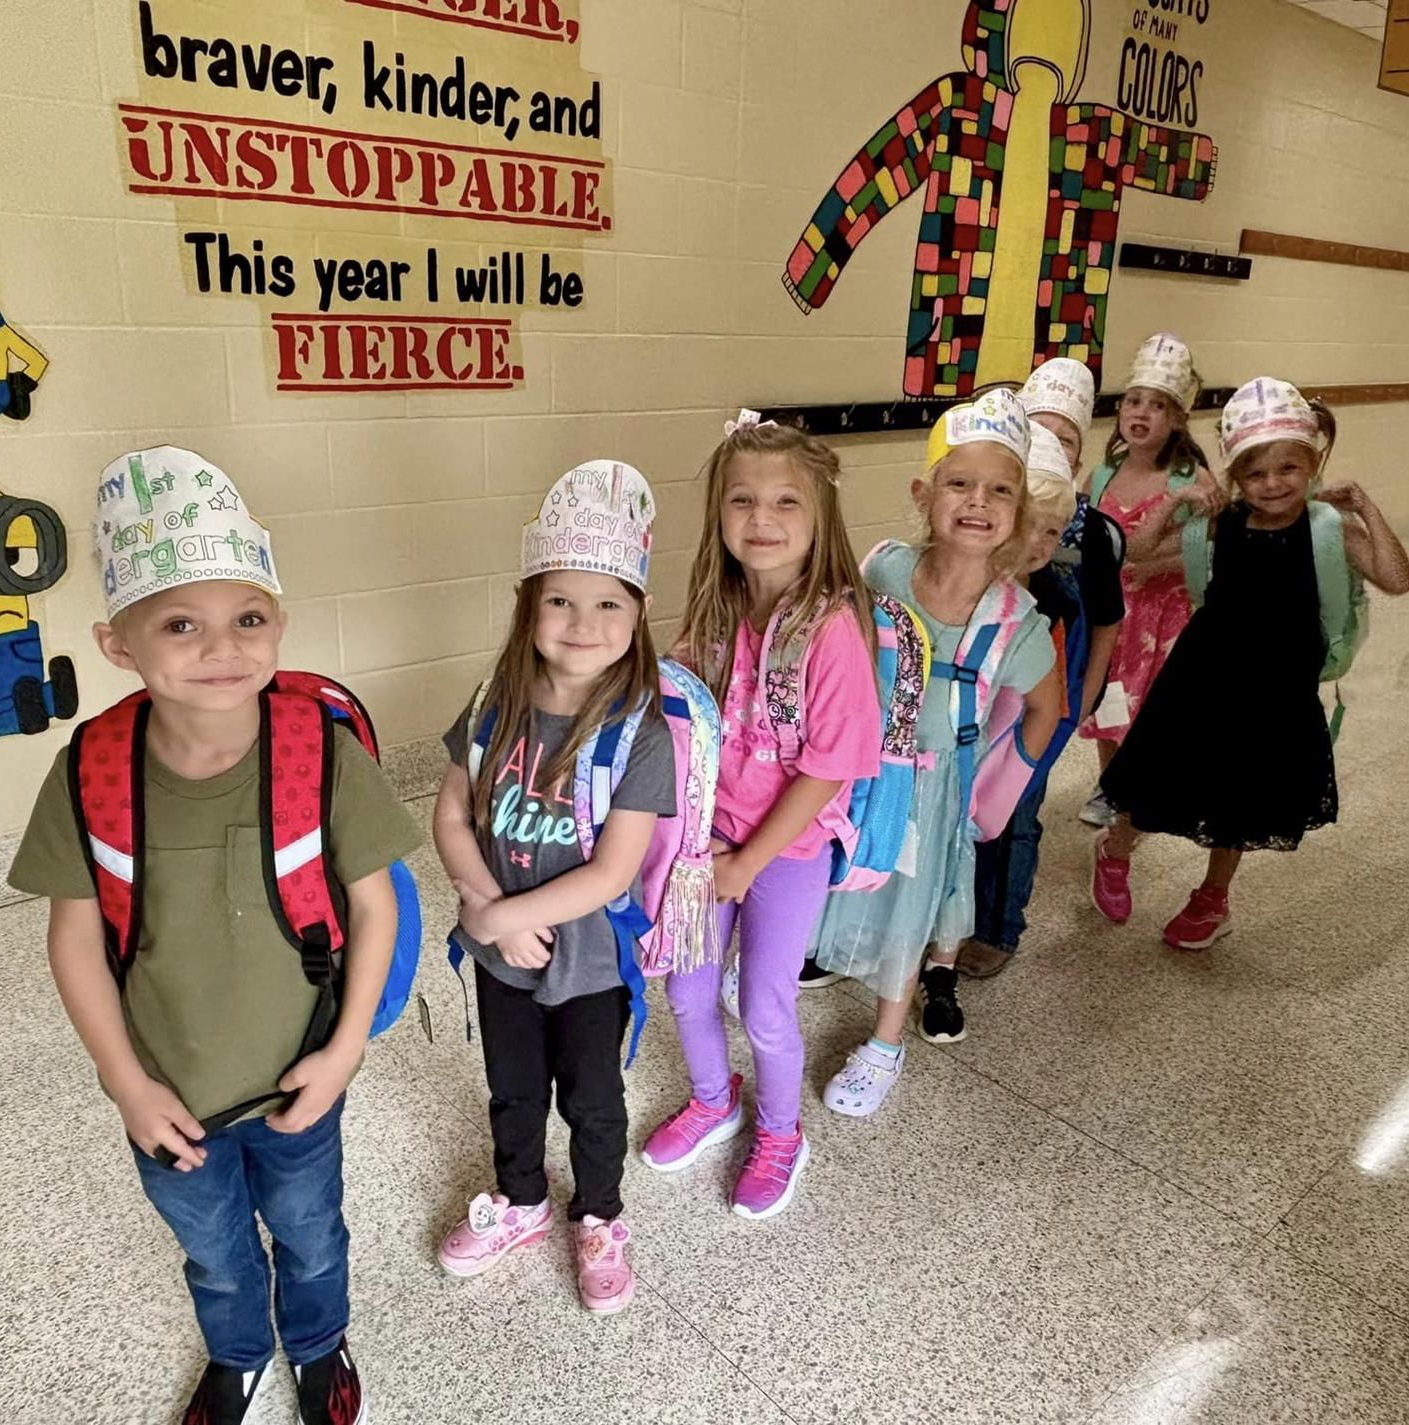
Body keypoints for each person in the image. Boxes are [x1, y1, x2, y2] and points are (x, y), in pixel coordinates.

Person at [9, 447, 419, 1425]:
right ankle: (239, 1354)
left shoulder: (319, 754)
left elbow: (378, 906)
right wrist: (127, 1081)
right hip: (168, 1096)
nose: (221, 648)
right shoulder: (93, 769)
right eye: (180, 624)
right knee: (217, 1252)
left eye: (248, 619)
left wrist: (346, 1048)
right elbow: (74, 939)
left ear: (278, 622)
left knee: (311, 1231)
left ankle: (319, 1342)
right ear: (119, 645)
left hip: (299, 1077)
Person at [430, 461, 675, 1315]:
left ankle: (600, 1214)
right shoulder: (494, 702)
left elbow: (613, 871)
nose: (583, 622)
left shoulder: (639, 733)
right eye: (561, 600)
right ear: (529, 606)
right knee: (514, 1087)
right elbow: (453, 813)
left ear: (638, 612)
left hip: (589, 959)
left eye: (608, 601)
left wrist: (502, 913)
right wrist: (479, 906)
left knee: (596, 1099)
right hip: (503, 952)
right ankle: (523, 1200)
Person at [641, 412, 880, 1218]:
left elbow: (829, 766)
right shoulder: (715, 610)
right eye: (742, 500)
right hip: (706, 840)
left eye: (786, 502)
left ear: (819, 520)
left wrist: (745, 860)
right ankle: (716, 1098)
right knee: (686, 986)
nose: (762, 520)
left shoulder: (832, 628)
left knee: (766, 1004)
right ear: (718, 513)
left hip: (787, 849)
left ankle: (783, 1130)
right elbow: (684, 714)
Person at [811, 389, 1065, 1115]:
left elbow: (1046, 707)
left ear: (1018, 512)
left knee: (912, 910)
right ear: (925, 493)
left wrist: (994, 786)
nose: (977, 502)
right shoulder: (885, 569)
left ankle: (886, 1040)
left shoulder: (1016, 622)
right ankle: (806, 957)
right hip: (859, 769)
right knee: (838, 874)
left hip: (934, 789)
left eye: (1000, 490)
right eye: (959, 482)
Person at [1092, 378, 1409, 947]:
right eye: (1256, 474)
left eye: (1288, 470)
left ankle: (1212, 898)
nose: (1272, 485)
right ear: (1236, 478)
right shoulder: (1226, 523)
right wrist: (1176, 500)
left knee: (1240, 798)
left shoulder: (1328, 531)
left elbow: (1397, 578)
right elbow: (1137, 554)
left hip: (1277, 689)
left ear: (1312, 466)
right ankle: (1116, 849)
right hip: (1202, 677)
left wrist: (1365, 506)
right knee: (1154, 775)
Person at [960, 422, 1125, 977]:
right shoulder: (964, 586)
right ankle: (950, 921)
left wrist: (1070, 713)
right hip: (963, 734)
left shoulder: (1057, 600)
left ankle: (998, 928)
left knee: (1015, 822)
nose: (1035, 543)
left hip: (1025, 739)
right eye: (1026, 526)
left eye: (1050, 532)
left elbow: (1058, 686)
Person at [1076, 333, 1220, 826]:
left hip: (1164, 618)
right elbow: (1086, 539)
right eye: (1133, 401)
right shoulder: (1099, 476)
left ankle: (1145, 787)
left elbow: (1199, 551)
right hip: (1112, 615)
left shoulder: (1191, 480)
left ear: (1177, 418)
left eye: (1157, 405)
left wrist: (1147, 556)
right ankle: (1109, 785)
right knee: (1107, 704)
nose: (1141, 412)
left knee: (1150, 709)